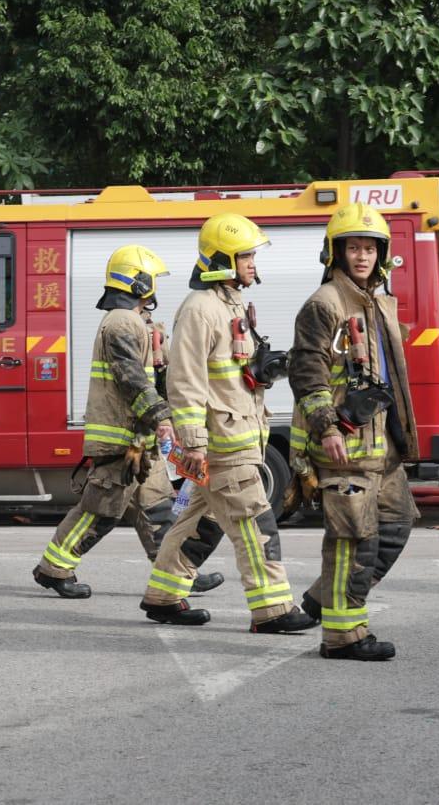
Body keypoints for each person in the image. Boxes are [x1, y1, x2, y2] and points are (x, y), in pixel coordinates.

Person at [138, 214, 315, 633]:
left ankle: (163, 596)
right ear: (222, 259)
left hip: (235, 438)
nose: (253, 263)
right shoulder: (199, 309)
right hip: (222, 444)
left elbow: (229, 372)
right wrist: (194, 442)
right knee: (255, 523)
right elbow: (185, 380)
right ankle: (272, 610)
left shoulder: (228, 303)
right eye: (245, 255)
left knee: (199, 522)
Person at [31, 245, 223, 598]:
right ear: (138, 281)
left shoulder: (136, 322)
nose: (154, 287)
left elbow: (148, 377)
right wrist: (161, 416)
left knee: (158, 509)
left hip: (139, 441)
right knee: (99, 511)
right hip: (120, 441)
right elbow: (130, 378)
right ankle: (53, 568)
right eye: (152, 279)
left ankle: (176, 572)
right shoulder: (121, 321)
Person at [288, 203, 420, 661]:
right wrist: (327, 428)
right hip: (346, 445)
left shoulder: (377, 301)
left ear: (380, 253)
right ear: (336, 252)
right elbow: (307, 372)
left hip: (382, 449)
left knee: (395, 527)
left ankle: (321, 600)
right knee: (353, 540)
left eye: (369, 248)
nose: (362, 256)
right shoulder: (324, 304)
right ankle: (343, 636)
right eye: (353, 247)